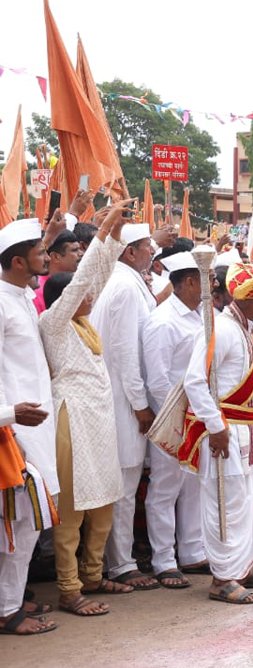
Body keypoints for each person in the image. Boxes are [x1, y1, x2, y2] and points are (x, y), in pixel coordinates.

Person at [38, 203, 133, 616]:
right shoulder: (54, 322)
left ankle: (93, 575)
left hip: (97, 419)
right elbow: (81, 284)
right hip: (71, 419)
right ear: (63, 298)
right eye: (81, 292)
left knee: (105, 500)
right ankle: (69, 588)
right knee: (73, 511)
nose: (91, 294)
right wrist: (105, 226)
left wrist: (114, 238)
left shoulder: (82, 321)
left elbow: (96, 275)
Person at [177, 263, 253, 604]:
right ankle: (222, 579)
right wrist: (216, 427)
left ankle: (242, 567)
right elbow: (194, 380)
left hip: (244, 430)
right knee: (225, 506)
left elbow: (251, 365)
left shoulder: (243, 327)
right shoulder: (220, 328)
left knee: (247, 503)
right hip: (225, 432)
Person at [90, 220, 161, 592]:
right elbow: (124, 352)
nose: (152, 252)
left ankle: (116, 560)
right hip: (122, 400)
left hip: (121, 397)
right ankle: (120, 563)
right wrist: (139, 404)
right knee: (123, 486)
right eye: (148, 246)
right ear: (130, 251)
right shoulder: (124, 287)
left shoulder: (123, 282)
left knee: (124, 485)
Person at [0, 216, 63, 635]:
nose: (48, 256)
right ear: (20, 261)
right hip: (13, 430)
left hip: (33, 426)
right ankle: (8, 610)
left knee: (26, 523)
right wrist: (9, 414)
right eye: (42, 252)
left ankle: (12, 599)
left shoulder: (21, 293)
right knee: (17, 523)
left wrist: (53, 233)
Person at [141, 249, 210, 590]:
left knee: (193, 485)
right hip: (173, 417)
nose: (208, 288)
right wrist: (177, 421)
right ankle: (164, 560)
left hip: (197, 415)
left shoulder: (198, 315)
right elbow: (157, 380)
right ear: (188, 282)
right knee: (165, 489)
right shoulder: (163, 321)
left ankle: (193, 552)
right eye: (204, 282)